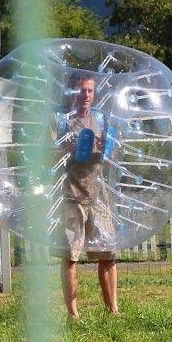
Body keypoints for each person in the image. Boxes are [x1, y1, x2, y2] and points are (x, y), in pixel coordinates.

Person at [58, 74, 119, 320]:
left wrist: (106, 147)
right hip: (71, 195)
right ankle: (73, 315)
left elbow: (112, 156)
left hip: (99, 196)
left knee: (108, 254)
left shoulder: (102, 120)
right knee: (71, 256)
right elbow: (46, 154)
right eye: (82, 90)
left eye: (90, 91)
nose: (86, 95)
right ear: (73, 92)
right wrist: (67, 149)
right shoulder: (63, 122)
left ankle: (113, 309)